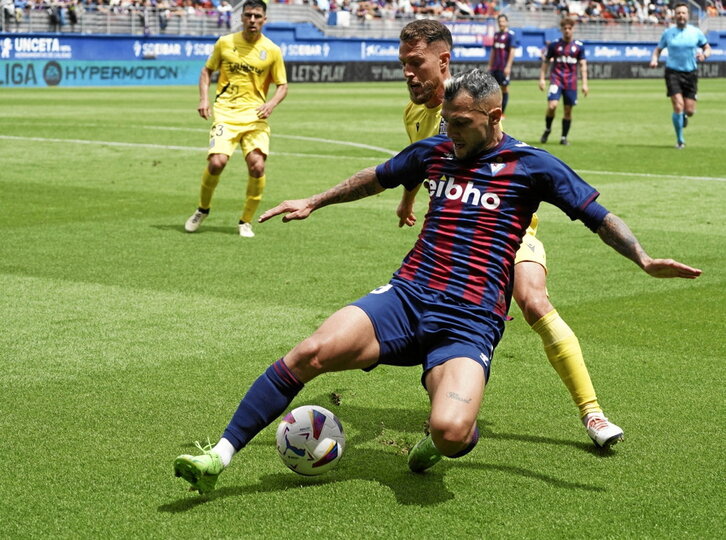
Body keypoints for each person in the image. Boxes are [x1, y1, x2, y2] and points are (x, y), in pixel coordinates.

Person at [173, 68, 702, 494]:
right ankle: (218, 455)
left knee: (450, 434)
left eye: (462, 123)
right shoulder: (435, 152)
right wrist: (314, 200)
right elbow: (377, 176)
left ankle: (443, 432)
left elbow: (598, 216)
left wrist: (643, 259)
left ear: (494, 117)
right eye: (447, 120)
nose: (450, 131)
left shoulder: (533, 166)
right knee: (310, 352)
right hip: (406, 297)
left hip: (469, 322)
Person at [397, 19, 623, 449]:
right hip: (454, 240)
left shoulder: (469, 107)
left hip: (505, 230)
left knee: (534, 302)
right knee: (439, 319)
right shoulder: (413, 114)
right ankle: (448, 421)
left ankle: (592, 413)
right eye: (403, 63)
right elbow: (419, 162)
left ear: (441, 63)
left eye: (415, 63)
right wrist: (408, 198)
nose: (408, 72)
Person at [184, 0, 288, 238]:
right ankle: (202, 209)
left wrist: (271, 103)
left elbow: (282, 85)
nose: (252, 20)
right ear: (241, 17)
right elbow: (206, 71)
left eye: (257, 16)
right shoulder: (225, 42)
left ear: (264, 20)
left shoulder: (271, 50)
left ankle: (245, 221)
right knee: (217, 163)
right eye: (249, 15)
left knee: (257, 166)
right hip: (226, 113)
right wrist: (203, 99)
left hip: (255, 117)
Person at [649, 3, 711, 149]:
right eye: (678, 13)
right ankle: (680, 140)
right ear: (674, 15)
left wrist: (705, 55)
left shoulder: (695, 32)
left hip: (690, 73)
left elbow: (707, 48)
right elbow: (658, 50)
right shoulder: (668, 33)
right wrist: (654, 59)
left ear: (687, 15)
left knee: (689, 111)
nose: (681, 16)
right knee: (678, 105)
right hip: (672, 72)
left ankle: (683, 116)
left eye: (683, 13)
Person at [538, 17, 588, 146]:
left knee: (567, 111)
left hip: (571, 82)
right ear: (561, 30)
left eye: (569, 28)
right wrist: (542, 79)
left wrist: (584, 84)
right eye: (565, 28)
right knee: (552, 106)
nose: (567, 31)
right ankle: (548, 129)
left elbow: (583, 65)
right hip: (556, 80)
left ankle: (563, 137)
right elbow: (546, 62)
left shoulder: (579, 46)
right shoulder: (554, 45)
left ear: (573, 29)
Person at [487, 13, 517, 116]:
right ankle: (492, 110)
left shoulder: (510, 35)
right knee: (492, 89)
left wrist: (508, 66)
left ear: (507, 22)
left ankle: (502, 113)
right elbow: (493, 51)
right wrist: (490, 65)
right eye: (499, 21)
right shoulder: (496, 35)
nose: (501, 23)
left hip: (504, 67)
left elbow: (512, 52)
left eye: (503, 21)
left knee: (504, 88)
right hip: (495, 66)